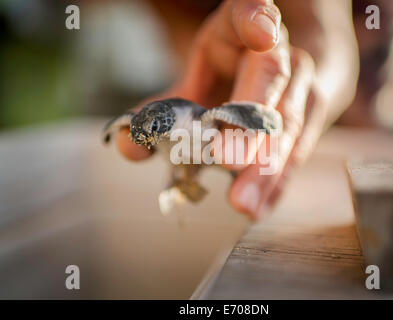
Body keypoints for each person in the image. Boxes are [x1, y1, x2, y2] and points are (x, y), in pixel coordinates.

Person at [115, 0, 359, 220]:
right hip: (207, 55)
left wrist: (302, 93)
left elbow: (327, 38)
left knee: (353, 171)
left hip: (353, 46)